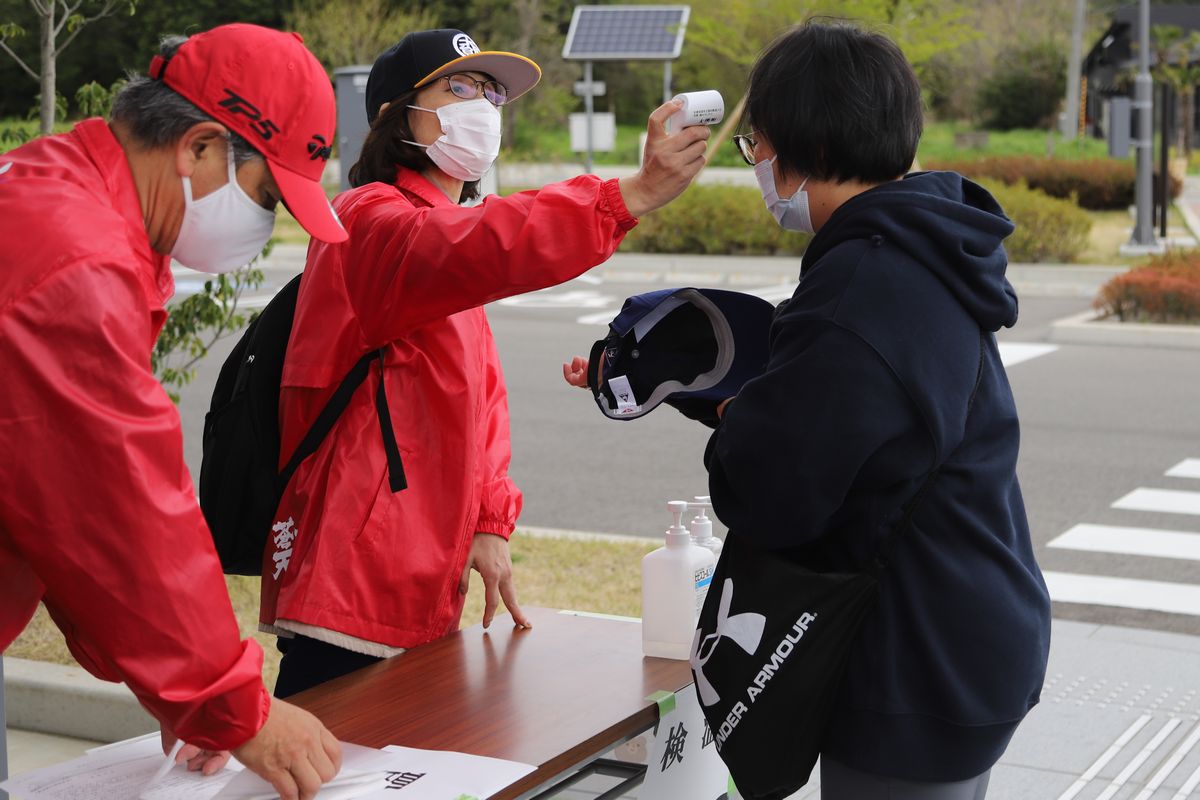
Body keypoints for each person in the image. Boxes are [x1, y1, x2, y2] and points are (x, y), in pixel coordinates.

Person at [565, 20, 1051, 799]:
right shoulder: (927, 248)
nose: (757, 161)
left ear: (804, 144)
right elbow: (861, 426)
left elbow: (768, 494)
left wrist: (728, 420)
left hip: (915, 667)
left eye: (757, 141)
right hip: (974, 625)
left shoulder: (859, 290)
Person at [259, 28, 708, 697]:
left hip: (419, 573)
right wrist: (625, 196)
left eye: (494, 94)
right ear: (394, 116)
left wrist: (489, 519)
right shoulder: (370, 220)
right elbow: (484, 242)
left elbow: (482, 400)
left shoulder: (435, 231)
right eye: (460, 87)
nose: (485, 107)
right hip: (355, 575)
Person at [0, 24, 348, 800]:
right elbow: (120, 512)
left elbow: (59, 509)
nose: (264, 228)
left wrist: (178, 688)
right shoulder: (75, 260)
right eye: (264, 196)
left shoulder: (52, 185)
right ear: (198, 148)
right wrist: (236, 706)